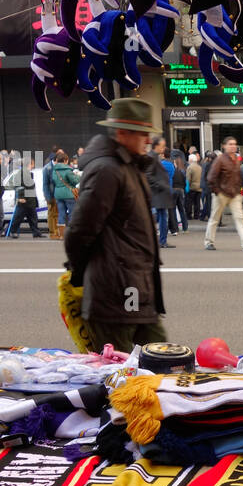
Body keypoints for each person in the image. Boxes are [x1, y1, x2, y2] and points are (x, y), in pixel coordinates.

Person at [64, 98, 167, 352]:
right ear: (122, 133)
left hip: (134, 287)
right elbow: (78, 230)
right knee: (120, 373)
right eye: (142, 133)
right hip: (117, 291)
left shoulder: (128, 166)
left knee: (163, 363)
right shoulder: (108, 170)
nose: (147, 139)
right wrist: (82, 270)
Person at [204, 136, 243, 250]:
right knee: (214, 218)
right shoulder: (220, 159)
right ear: (224, 146)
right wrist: (217, 191)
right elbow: (211, 177)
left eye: (234, 144)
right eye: (230, 144)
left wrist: (238, 190)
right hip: (222, 193)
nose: (233, 146)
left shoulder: (236, 160)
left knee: (240, 218)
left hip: (234, 194)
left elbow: (238, 177)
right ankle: (209, 242)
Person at [145, 137, 174, 248]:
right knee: (161, 217)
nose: (164, 147)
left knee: (161, 216)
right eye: (162, 145)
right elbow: (148, 175)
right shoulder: (152, 157)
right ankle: (161, 241)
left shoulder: (154, 156)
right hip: (157, 193)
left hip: (158, 193)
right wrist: (161, 185)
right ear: (156, 145)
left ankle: (162, 240)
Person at [8, 157, 43, 238]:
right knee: (18, 217)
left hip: (29, 199)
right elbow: (18, 186)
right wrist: (20, 197)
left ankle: (36, 232)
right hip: (24, 199)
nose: (33, 166)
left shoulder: (27, 173)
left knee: (33, 217)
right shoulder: (21, 173)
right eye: (32, 164)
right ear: (29, 164)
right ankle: (13, 232)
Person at [52, 150, 80, 227]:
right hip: (69, 195)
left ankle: (61, 234)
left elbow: (54, 181)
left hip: (58, 194)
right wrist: (78, 176)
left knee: (61, 213)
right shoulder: (68, 170)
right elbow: (75, 181)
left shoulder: (54, 171)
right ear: (65, 160)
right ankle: (71, 232)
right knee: (72, 213)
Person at [43, 148, 61, 240]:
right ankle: (52, 233)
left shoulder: (58, 166)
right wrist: (48, 197)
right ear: (56, 159)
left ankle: (58, 232)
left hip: (58, 195)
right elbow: (45, 184)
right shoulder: (47, 168)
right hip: (51, 195)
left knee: (57, 214)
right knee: (51, 214)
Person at [171, 155, 188, 233]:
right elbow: (185, 182)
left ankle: (175, 228)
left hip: (174, 190)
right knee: (182, 209)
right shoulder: (183, 171)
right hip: (181, 191)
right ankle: (185, 228)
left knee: (173, 210)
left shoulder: (173, 172)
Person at [186, 152, 202, 221]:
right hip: (199, 187)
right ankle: (197, 215)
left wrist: (187, 187)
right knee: (197, 202)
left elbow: (188, 178)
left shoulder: (190, 167)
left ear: (191, 160)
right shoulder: (199, 167)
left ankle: (189, 215)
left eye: (189, 159)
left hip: (192, 187)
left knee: (189, 202)